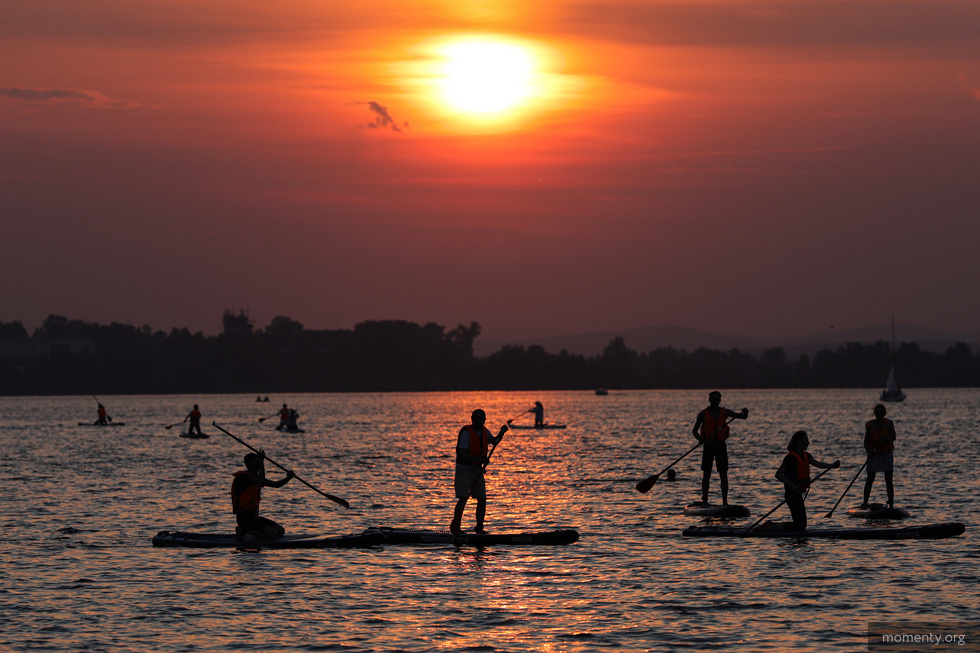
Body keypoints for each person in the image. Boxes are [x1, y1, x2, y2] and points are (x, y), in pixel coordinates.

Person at [450, 409, 508, 534]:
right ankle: (456, 528)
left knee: (482, 499)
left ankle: (479, 528)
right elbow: (463, 455)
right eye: (476, 419)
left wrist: (501, 433)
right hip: (464, 470)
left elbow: (495, 441)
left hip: (477, 470)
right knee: (463, 498)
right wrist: (481, 460)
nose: (478, 422)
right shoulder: (466, 433)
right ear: (472, 419)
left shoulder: (484, 431)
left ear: (484, 420)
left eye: (481, 419)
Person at [774, 430, 840, 531]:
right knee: (800, 525)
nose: (808, 443)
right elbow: (778, 474)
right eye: (806, 440)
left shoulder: (806, 455)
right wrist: (793, 485)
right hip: (791, 494)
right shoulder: (791, 458)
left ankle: (782, 530)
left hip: (798, 494)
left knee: (801, 525)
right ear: (799, 442)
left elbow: (818, 464)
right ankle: (773, 528)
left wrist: (832, 465)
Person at [692, 391, 749, 505]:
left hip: (720, 446)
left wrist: (745, 412)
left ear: (720, 400)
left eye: (717, 399)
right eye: (713, 399)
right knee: (706, 474)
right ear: (709, 400)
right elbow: (694, 431)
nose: (715, 401)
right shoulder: (703, 414)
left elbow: (742, 417)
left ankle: (725, 501)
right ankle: (705, 500)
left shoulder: (725, 412)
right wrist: (700, 439)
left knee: (723, 474)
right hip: (708, 446)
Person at [231, 451, 295, 541]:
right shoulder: (243, 478)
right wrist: (262, 461)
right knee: (273, 535)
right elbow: (260, 478)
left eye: (258, 464)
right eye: (256, 464)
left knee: (281, 531)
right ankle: (243, 530)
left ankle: (251, 531)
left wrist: (288, 478)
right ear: (248, 465)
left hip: (254, 518)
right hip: (244, 519)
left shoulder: (256, 478)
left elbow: (276, 485)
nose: (258, 467)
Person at [862, 404, 896, 509]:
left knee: (888, 479)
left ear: (884, 413)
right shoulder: (870, 425)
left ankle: (891, 503)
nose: (879, 414)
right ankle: (865, 502)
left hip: (886, 454)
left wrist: (886, 438)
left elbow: (893, 436)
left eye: (881, 412)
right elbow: (866, 441)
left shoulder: (889, 423)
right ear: (874, 413)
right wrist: (869, 452)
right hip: (874, 454)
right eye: (877, 412)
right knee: (870, 479)